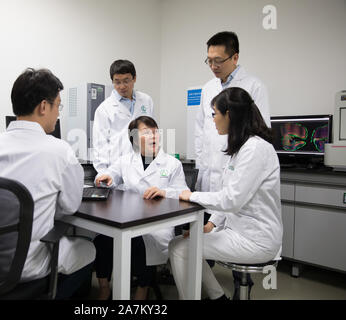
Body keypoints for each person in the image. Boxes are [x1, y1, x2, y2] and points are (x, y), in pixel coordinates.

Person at [0, 68, 96, 299]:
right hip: (26, 267)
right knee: (89, 250)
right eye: (58, 106)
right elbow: (70, 206)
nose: (58, 114)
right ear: (44, 107)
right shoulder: (60, 151)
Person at [169, 87, 282, 300]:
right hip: (239, 230)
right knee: (180, 243)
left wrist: (190, 195)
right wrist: (210, 225)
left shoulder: (255, 149)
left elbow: (231, 199)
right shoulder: (242, 148)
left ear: (228, 114)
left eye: (215, 114)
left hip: (256, 239)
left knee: (180, 249)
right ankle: (218, 297)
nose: (212, 120)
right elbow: (229, 194)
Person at [194, 31, 271, 297]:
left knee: (239, 230)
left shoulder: (254, 86)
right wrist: (202, 165)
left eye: (219, 60)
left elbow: (260, 130)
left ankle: (241, 285)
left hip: (241, 173)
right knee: (208, 233)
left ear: (235, 57)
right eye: (209, 61)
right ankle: (211, 289)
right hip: (211, 172)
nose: (214, 66)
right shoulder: (207, 88)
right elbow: (201, 131)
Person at [94, 116, 189, 300]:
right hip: (127, 220)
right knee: (103, 239)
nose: (153, 136)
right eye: (146, 133)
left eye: (155, 132)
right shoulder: (125, 161)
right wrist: (107, 178)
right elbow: (112, 175)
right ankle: (104, 287)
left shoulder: (172, 164)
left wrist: (163, 191)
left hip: (157, 224)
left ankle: (142, 289)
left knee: (142, 243)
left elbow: (183, 192)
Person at [92, 59, 154, 175]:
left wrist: (150, 165)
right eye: (117, 82)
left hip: (143, 167)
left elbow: (151, 135)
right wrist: (104, 173)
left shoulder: (146, 101)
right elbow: (100, 145)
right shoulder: (104, 108)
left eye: (126, 81)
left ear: (134, 78)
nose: (122, 86)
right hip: (116, 170)